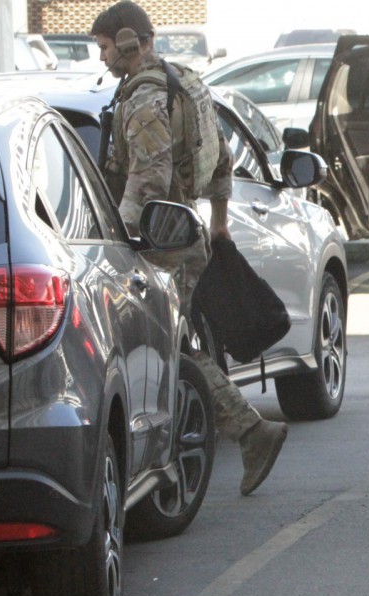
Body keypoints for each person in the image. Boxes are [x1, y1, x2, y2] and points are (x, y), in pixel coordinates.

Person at [92, 1, 289, 496]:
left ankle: (250, 430)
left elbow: (149, 178)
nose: (103, 59)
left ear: (129, 41)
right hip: (186, 233)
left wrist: (118, 241)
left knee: (171, 350)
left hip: (161, 243)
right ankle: (247, 431)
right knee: (179, 347)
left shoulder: (144, 101)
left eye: (105, 47)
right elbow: (221, 157)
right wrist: (218, 224)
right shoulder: (187, 85)